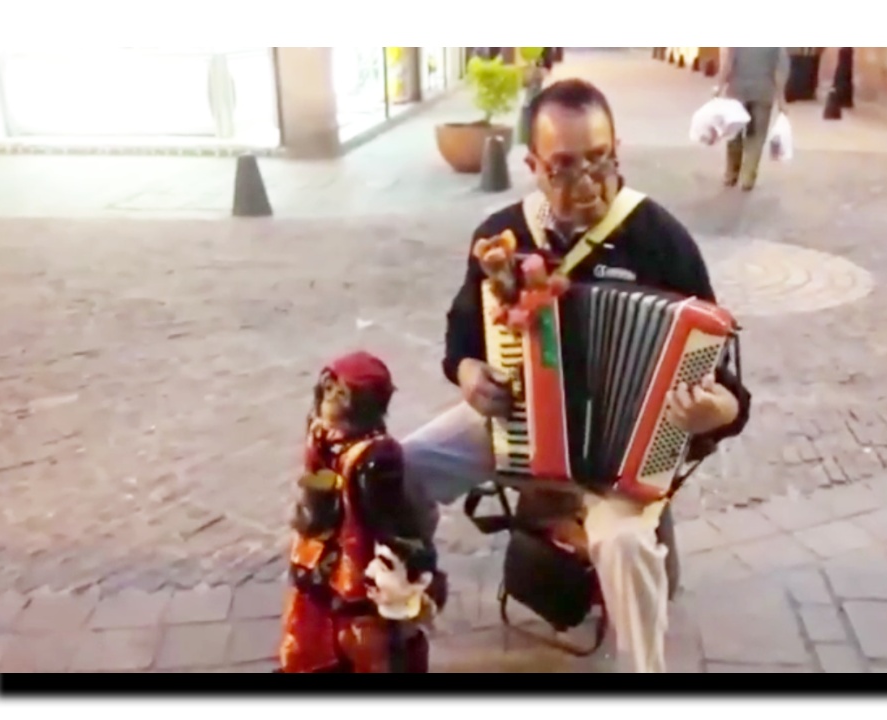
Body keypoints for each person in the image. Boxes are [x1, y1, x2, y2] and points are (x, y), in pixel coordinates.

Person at [401, 78, 753, 673]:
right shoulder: (500, 236)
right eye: (563, 168)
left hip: (622, 457)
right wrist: (467, 373)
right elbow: (462, 336)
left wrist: (715, 412)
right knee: (399, 468)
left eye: (600, 160)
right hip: (516, 422)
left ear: (618, 146)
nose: (585, 183)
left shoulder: (658, 238)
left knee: (622, 540)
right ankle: (403, 598)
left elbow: (727, 386)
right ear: (533, 165)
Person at [277, 351, 445, 673]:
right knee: (317, 630)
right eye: (328, 389)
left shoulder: (376, 458)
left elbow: (392, 520)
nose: (329, 399)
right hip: (326, 553)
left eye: (340, 393)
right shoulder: (322, 431)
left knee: (371, 641)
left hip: (361, 562)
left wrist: (412, 562)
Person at [718, 47, 790, 190]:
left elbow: (728, 63)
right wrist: (781, 99)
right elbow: (780, 72)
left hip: (737, 91)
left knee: (734, 133)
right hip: (763, 92)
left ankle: (730, 174)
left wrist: (719, 87)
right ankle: (748, 178)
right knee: (757, 136)